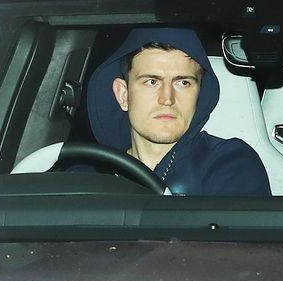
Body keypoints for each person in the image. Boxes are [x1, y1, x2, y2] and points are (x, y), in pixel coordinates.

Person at [83, 27, 271, 196]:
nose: (167, 99)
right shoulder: (88, 176)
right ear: (123, 95)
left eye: (183, 83)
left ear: (198, 94)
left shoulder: (230, 166)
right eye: (152, 82)